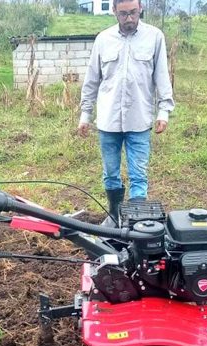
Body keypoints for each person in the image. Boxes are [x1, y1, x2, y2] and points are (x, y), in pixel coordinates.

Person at [77, 0, 174, 226]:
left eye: (133, 13)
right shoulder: (103, 39)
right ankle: (114, 215)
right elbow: (92, 80)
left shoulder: (154, 37)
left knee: (138, 175)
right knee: (110, 174)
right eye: (123, 14)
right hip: (108, 122)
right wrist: (85, 115)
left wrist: (164, 112)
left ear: (140, 9)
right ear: (114, 12)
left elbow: (161, 76)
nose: (129, 19)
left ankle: (135, 223)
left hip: (139, 120)